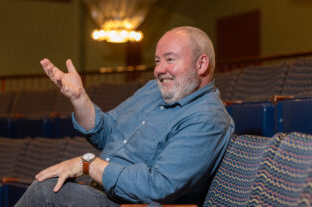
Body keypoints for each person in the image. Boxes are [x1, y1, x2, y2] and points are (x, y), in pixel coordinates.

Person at [15, 26, 234, 206]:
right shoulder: (152, 90)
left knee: (46, 193)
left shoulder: (208, 118)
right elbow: (107, 133)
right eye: (157, 61)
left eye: (170, 59)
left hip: (130, 203)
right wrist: (79, 97)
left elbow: (157, 186)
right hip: (101, 193)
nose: (160, 69)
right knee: (48, 183)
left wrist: (88, 164)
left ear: (201, 64)